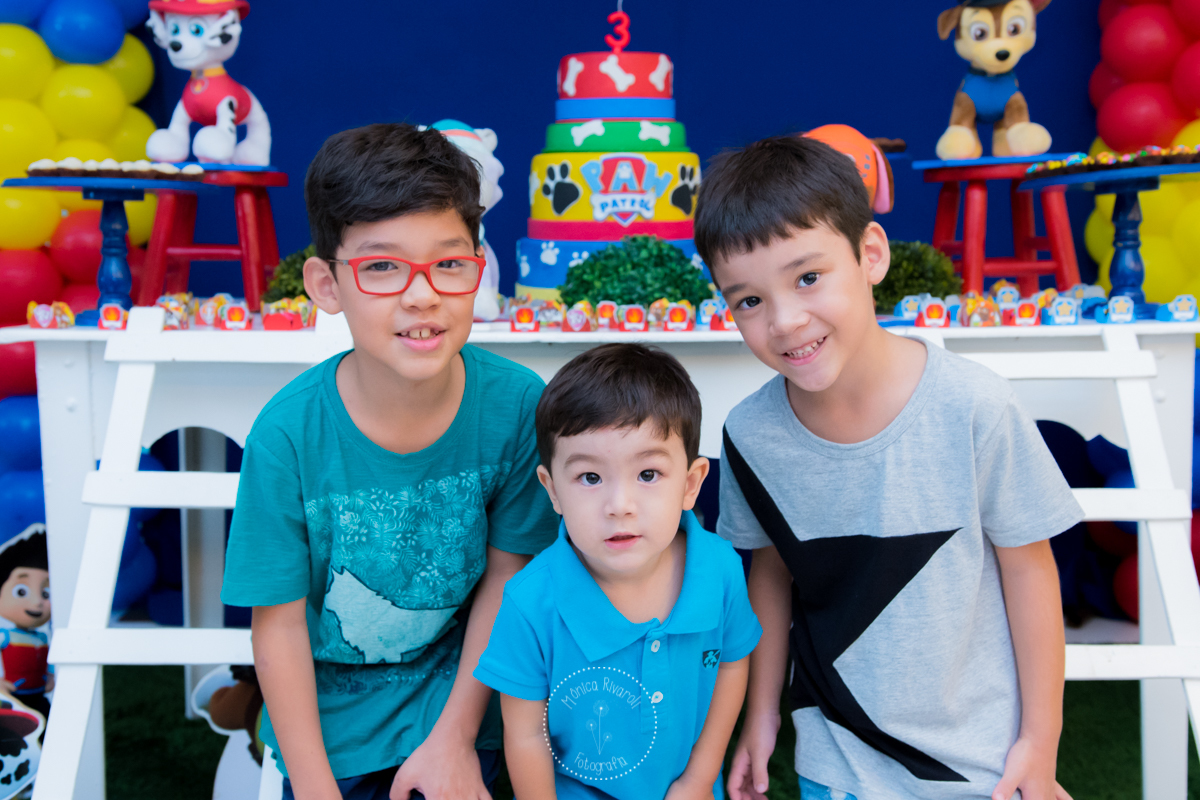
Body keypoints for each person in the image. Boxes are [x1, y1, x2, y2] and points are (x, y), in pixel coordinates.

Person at [692, 135, 1081, 800]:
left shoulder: (974, 405)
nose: (785, 321)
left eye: (808, 277)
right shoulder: (750, 434)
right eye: (748, 301)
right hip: (836, 766)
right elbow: (772, 577)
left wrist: (1039, 745)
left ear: (870, 254)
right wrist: (761, 720)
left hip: (981, 765)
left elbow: (1029, 570)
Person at [221, 122, 560, 800]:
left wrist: (457, 739)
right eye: (381, 266)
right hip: (334, 734)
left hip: (472, 713)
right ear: (326, 283)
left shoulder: (519, 406)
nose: (422, 294)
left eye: (449, 262)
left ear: (478, 267)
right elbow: (279, 626)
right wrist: (316, 787)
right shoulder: (288, 436)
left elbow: (507, 579)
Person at [475, 344, 762, 800]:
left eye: (648, 474)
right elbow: (526, 734)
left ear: (690, 484)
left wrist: (697, 779)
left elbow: (731, 663)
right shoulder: (531, 601)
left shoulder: (719, 568)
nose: (620, 506)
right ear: (552, 490)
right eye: (590, 478)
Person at [0, 525, 52, 721]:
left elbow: (50, 663)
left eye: (46, 593)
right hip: (13, 698)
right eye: (21, 591)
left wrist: (52, 676)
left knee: (46, 725)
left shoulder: (42, 637)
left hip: (39, 696)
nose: (37, 601)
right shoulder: (5, 636)